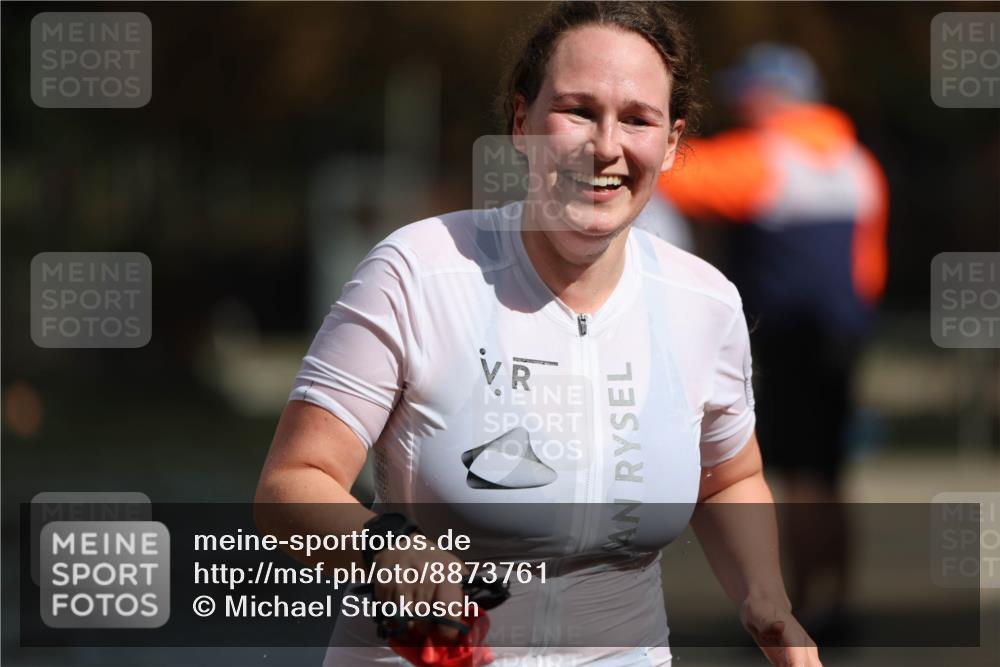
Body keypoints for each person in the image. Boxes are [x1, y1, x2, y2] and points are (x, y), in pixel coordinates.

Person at [256, 4, 823, 665]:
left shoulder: (704, 301)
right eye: (578, 111)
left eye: (637, 119)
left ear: (671, 142)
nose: (606, 146)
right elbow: (293, 483)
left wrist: (767, 603)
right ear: (521, 123)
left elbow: (727, 476)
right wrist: (386, 547)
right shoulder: (419, 272)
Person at [657, 43, 890, 628]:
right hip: (842, 336)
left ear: (773, 95)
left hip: (790, 339)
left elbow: (674, 175)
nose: (739, 101)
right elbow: (869, 268)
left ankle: (806, 605)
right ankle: (838, 600)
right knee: (831, 473)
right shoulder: (859, 164)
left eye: (748, 90)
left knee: (794, 475)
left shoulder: (768, 157)